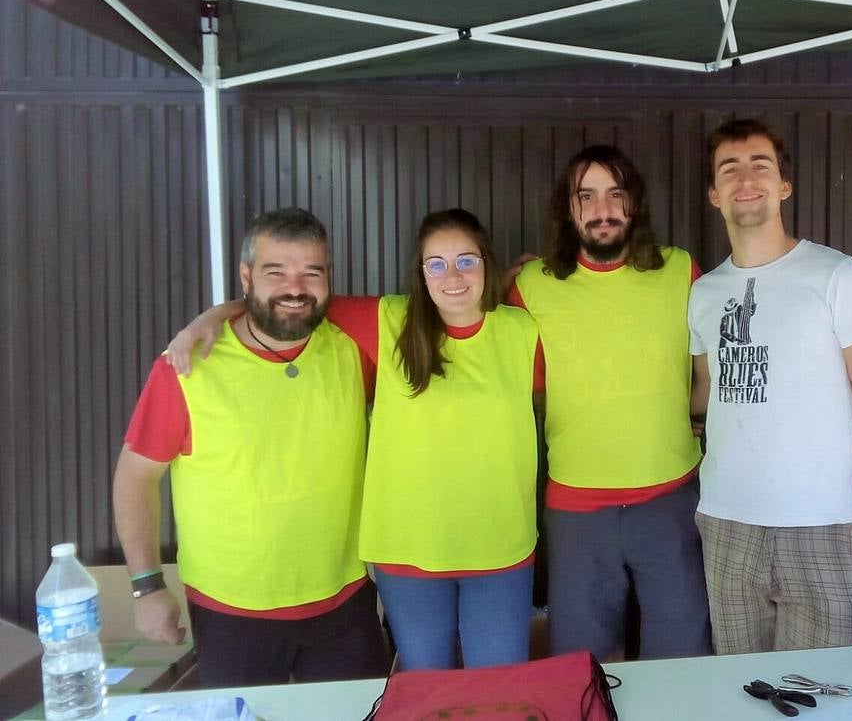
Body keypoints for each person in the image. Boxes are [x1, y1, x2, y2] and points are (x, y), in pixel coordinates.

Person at [168, 209, 539, 670]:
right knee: (425, 693)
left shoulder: (524, 329)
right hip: (408, 555)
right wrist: (213, 315)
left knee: (500, 695)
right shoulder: (387, 320)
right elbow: (293, 299)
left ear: (487, 263)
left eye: (466, 260)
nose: (453, 276)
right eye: (436, 264)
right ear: (420, 275)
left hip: (501, 550)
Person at [112, 208, 390, 687]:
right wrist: (147, 587)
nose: (295, 287)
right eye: (275, 271)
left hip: (344, 600)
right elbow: (136, 476)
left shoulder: (352, 346)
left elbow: (447, 311)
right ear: (246, 276)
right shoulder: (187, 366)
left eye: (311, 272)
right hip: (231, 612)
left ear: (329, 278)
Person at [687, 118, 852, 654]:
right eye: (730, 168)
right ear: (714, 194)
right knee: (740, 689)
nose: (746, 178)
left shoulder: (837, 276)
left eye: (760, 165)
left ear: (784, 185)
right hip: (726, 524)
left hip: (822, 524)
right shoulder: (704, 293)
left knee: (830, 691)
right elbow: (702, 398)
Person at [509, 144, 711, 660]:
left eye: (615, 194)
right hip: (577, 508)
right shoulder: (532, 286)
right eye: (587, 196)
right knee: (580, 666)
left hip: (670, 499)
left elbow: (708, 366)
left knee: (681, 657)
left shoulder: (681, 270)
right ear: (567, 206)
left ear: (634, 203)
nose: (603, 209)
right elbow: (513, 382)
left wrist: (692, 416)